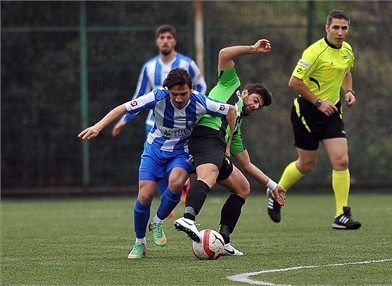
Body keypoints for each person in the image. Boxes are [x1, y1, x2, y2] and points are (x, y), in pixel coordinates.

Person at [78, 68, 237, 259]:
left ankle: (158, 221)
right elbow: (125, 107)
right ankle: (140, 243)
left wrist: (227, 145)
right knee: (145, 195)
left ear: (191, 89)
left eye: (183, 94)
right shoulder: (157, 96)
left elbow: (232, 110)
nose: (179, 98)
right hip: (154, 149)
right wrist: (98, 126)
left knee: (177, 182)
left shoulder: (201, 102)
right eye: (175, 94)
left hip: (182, 150)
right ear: (167, 90)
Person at [173, 39, 286, 256]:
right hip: (205, 134)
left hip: (215, 143)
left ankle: (223, 239)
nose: (255, 106)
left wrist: (274, 186)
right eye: (255, 99)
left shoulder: (236, 129)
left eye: (259, 106)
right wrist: (252, 50)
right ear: (244, 92)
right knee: (209, 174)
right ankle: (188, 218)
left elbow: (247, 164)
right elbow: (224, 53)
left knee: (243, 187)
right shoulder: (230, 84)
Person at [267, 10, 361, 230]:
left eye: (344, 28)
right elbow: (294, 81)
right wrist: (318, 102)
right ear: (326, 28)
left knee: (341, 160)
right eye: (335, 27)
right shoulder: (314, 52)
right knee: (307, 164)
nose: (340, 32)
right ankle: (276, 190)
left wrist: (349, 92)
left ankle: (341, 215)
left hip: (332, 112)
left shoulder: (347, 50)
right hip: (307, 112)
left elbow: (346, 72)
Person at [112, 24, 207, 210]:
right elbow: (139, 96)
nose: (165, 41)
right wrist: (124, 120)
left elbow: (202, 87)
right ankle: (167, 203)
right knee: (158, 163)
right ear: (157, 41)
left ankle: (178, 190)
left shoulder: (187, 64)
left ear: (175, 41)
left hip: (183, 124)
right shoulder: (149, 67)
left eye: (169, 38)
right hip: (154, 123)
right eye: (162, 38)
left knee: (179, 161)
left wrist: (195, 110)